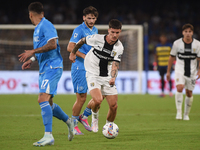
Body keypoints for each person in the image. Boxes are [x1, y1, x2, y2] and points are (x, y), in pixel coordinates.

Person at [18, 2, 74, 146]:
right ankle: (69, 122)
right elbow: (42, 49)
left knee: (42, 98)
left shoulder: (46, 25)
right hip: (44, 68)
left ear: (30, 14)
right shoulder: (37, 29)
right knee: (48, 104)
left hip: (53, 67)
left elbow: (52, 44)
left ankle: (48, 136)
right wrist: (32, 59)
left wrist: (32, 51)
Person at [69, 19, 124, 133]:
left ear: (120, 32)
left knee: (114, 106)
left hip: (107, 75)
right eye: (112, 32)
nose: (114, 35)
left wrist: (113, 77)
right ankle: (94, 118)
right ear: (108, 30)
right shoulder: (97, 38)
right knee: (98, 100)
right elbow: (82, 41)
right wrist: (73, 52)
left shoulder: (119, 47)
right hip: (92, 73)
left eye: (117, 32)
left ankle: (109, 126)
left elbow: (115, 64)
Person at [67, 6, 98, 135]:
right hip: (80, 67)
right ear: (84, 18)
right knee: (81, 98)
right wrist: (84, 56)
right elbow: (70, 47)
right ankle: (73, 125)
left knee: (98, 96)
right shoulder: (79, 30)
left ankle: (83, 116)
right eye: (89, 18)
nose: (91, 20)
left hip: (92, 67)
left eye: (93, 18)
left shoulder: (95, 29)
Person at [166, 23, 200, 120]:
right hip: (179, 69)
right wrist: (168, 72)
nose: (188, 33)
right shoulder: (177, 43)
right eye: (186, 32)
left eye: (189, 31)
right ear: (182, 33)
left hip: (192, 71)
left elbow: (199, 59)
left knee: (189, 93)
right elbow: (171, 57)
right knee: (180, 87)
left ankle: (186, 114)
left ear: (192, 33)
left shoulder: (198, 44)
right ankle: (179, 113)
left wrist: (199, 70)